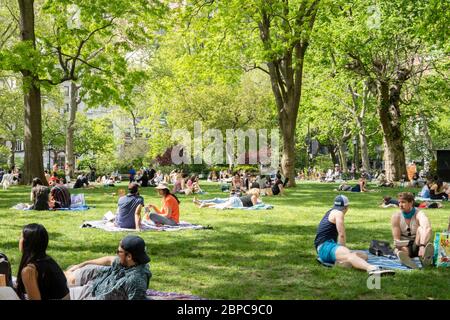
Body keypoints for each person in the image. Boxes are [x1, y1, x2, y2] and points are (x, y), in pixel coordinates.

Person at [314, 195, 395, 276]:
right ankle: (372, 269)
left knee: (363, 256)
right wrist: (344, 250)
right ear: (346, 207)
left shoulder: (331, 211)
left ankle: (339, 263)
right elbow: (341, 234)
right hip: (325, 247)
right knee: (350, 255)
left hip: (323, 247)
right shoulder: (339, 213)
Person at [65, 235, 151, 300]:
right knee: (65, 280)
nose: (117, 254)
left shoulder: (135, 280)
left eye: (119, 252)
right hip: (96, 284)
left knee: (58, 293)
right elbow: (109, 260)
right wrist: (83, 264)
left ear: (129, 256)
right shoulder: (130, 262)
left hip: (94, 296)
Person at [15, 224, 69, 300]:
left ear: (27, 243)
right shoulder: (48, 260)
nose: (19, 240)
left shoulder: (29, 270)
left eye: (21, 237)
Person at [391, 192, 434, 269]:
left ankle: (423, 254)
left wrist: (422, 246)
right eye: (399, 202)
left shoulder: (419, 214)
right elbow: (396, 240)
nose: (400, 205)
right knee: (401, 251)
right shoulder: (396, 216)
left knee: (422, 228)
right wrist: (399, 244)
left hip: (418, 243)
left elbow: (427, 228)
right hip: (405, 246)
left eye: (403, 202)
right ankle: (409, 261)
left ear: (411, 203)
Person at [194, 188, 261, 209]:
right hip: (237, 202)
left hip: (235, 200)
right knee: (221, 205)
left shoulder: (249, 195)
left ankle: (203, 204)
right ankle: (203, 204)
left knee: (221, 205)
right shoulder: (253, 196)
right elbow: (255, 206)